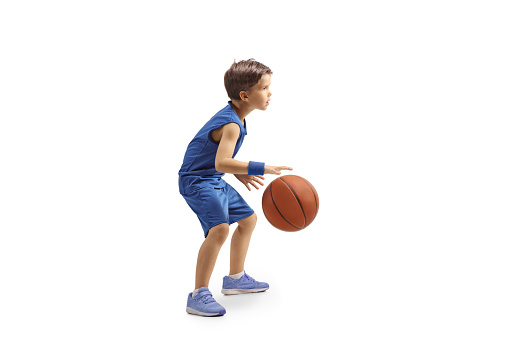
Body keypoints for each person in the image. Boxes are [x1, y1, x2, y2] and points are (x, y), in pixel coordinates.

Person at [178, 59, 292, 316]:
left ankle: (235, 279)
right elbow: (221, 160)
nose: (270, 93)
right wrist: (261, 167)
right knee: (219, 230)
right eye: (264, 88)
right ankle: (198, 295)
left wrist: (237, 173)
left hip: (212, 178)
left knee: (248, 220)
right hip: (196, 181)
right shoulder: (231, 124)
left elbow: (219, 159)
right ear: (245, 95)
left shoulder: (237, 117)